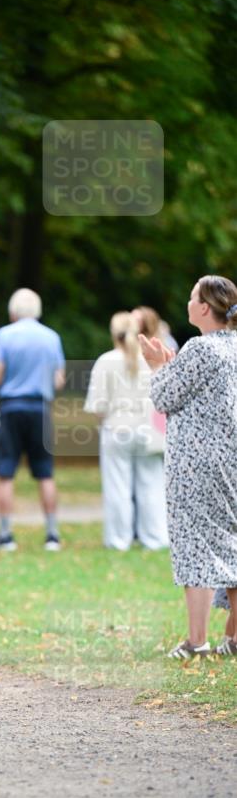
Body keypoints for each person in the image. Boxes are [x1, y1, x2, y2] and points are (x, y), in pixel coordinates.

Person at [139, 275, 237, 659]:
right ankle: (233, 637)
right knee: (232, 538)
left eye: (192, 296)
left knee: (193, 542)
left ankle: (197, 640)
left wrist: (155, 366)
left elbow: (164, 397)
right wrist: (170, 365)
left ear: (203, 308)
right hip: (230, 458)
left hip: (196, 464)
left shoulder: (200, 348)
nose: (187, 302)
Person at [0, 288, 65, 551]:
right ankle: (52, 534)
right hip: (39, 408)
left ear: (13, 311)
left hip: (11, 407)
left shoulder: (4, 335)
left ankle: (5, 534)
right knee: (45, 472)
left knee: (6, 472)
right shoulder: (51, 337)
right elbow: (59, 379)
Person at [84, 311, 168, 551]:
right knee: (151, 485)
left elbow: (98, 406)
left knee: (117, 487)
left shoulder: (106, 361)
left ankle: (118, 540)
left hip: (116, 429)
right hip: (147, 431)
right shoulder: (151, 361)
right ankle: (155, 538)